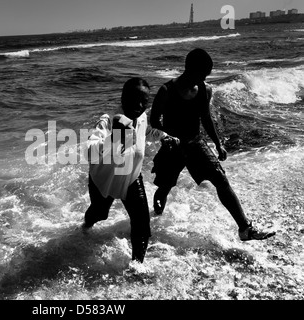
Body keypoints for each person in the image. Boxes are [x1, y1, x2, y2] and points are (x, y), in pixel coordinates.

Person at [149, 48, 276, 242]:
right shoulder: (167, 91)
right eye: (202, 74)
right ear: (189, 69)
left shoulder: (205, 89)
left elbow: (206, 118)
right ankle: (155, 221)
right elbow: (154, 120)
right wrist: (165, 137)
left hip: (195, 144)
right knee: (164, 188)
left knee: (221, 180)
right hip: (172, 147)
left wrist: (218, 144)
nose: (204, 79)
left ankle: (245, 228)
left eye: (206, 75)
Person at [82, 77, 166, 263]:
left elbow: (147, 131)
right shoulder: (108, 120)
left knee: (142, 225)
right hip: (105, 178)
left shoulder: (141, 117)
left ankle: (137, 266)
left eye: (144, 101)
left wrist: (164, 136)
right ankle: (85, 226)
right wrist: (114, 136)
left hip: (131, 176)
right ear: (122, 97)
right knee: (100, 214)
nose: (139, 105)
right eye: (134, 99)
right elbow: (89, 151)